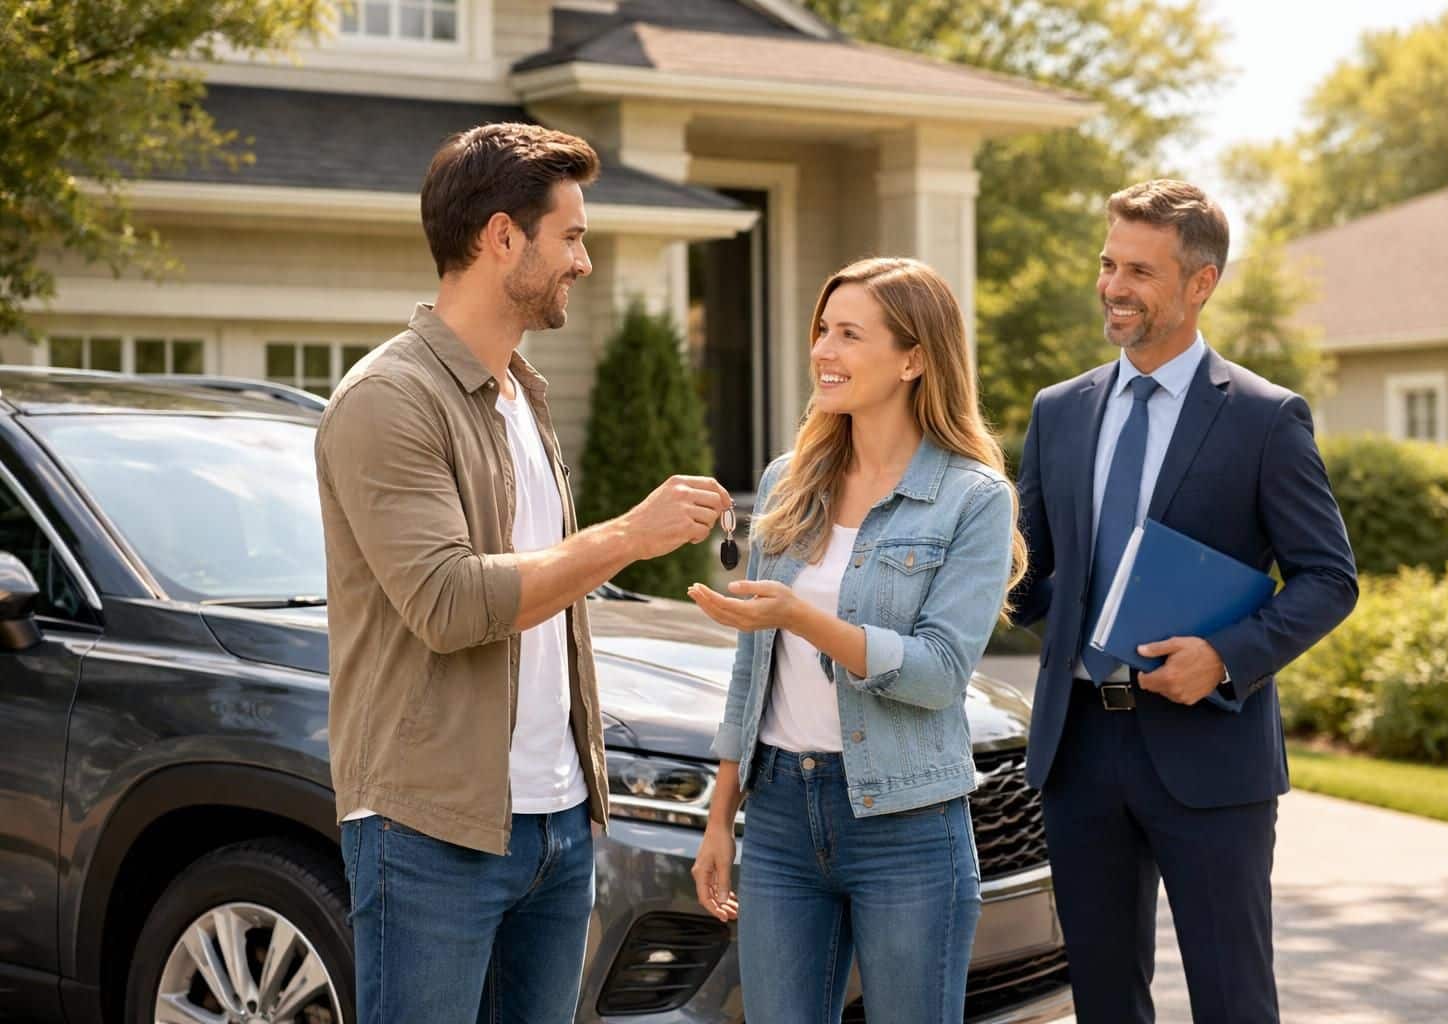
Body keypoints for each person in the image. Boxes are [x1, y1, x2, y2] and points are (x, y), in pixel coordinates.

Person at [316, 123, 732, 1024]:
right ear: (502, 237)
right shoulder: (391, 399)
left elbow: (548, 592)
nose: (583, 261)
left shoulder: (521, 396)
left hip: (555, 820)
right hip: (432, 829)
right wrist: (628, 534)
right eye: (571, 236)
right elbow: (449, 601)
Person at [1010, 179, 1358, 1023]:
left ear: (1200, 283)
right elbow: (1032, 580)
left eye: (1140, 271)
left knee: (1233, 999)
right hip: (1080, 751)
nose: (1113, 288)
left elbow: (1329, 579)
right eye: (1107, 264)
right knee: (1103, 1001)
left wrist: (1226, 658)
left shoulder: (1266, 420)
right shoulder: (1059, 412)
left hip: (1210, 754)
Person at [686, 257, 1027, 1024]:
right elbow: (754, 670)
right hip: (778, 816)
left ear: (913, 358)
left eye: (848, 334)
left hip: (906, 822)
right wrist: (720, 815)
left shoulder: (972, 498)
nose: (822, 351)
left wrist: (801, 618)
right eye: (821, 331)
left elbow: (940, 673)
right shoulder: (788, 480)